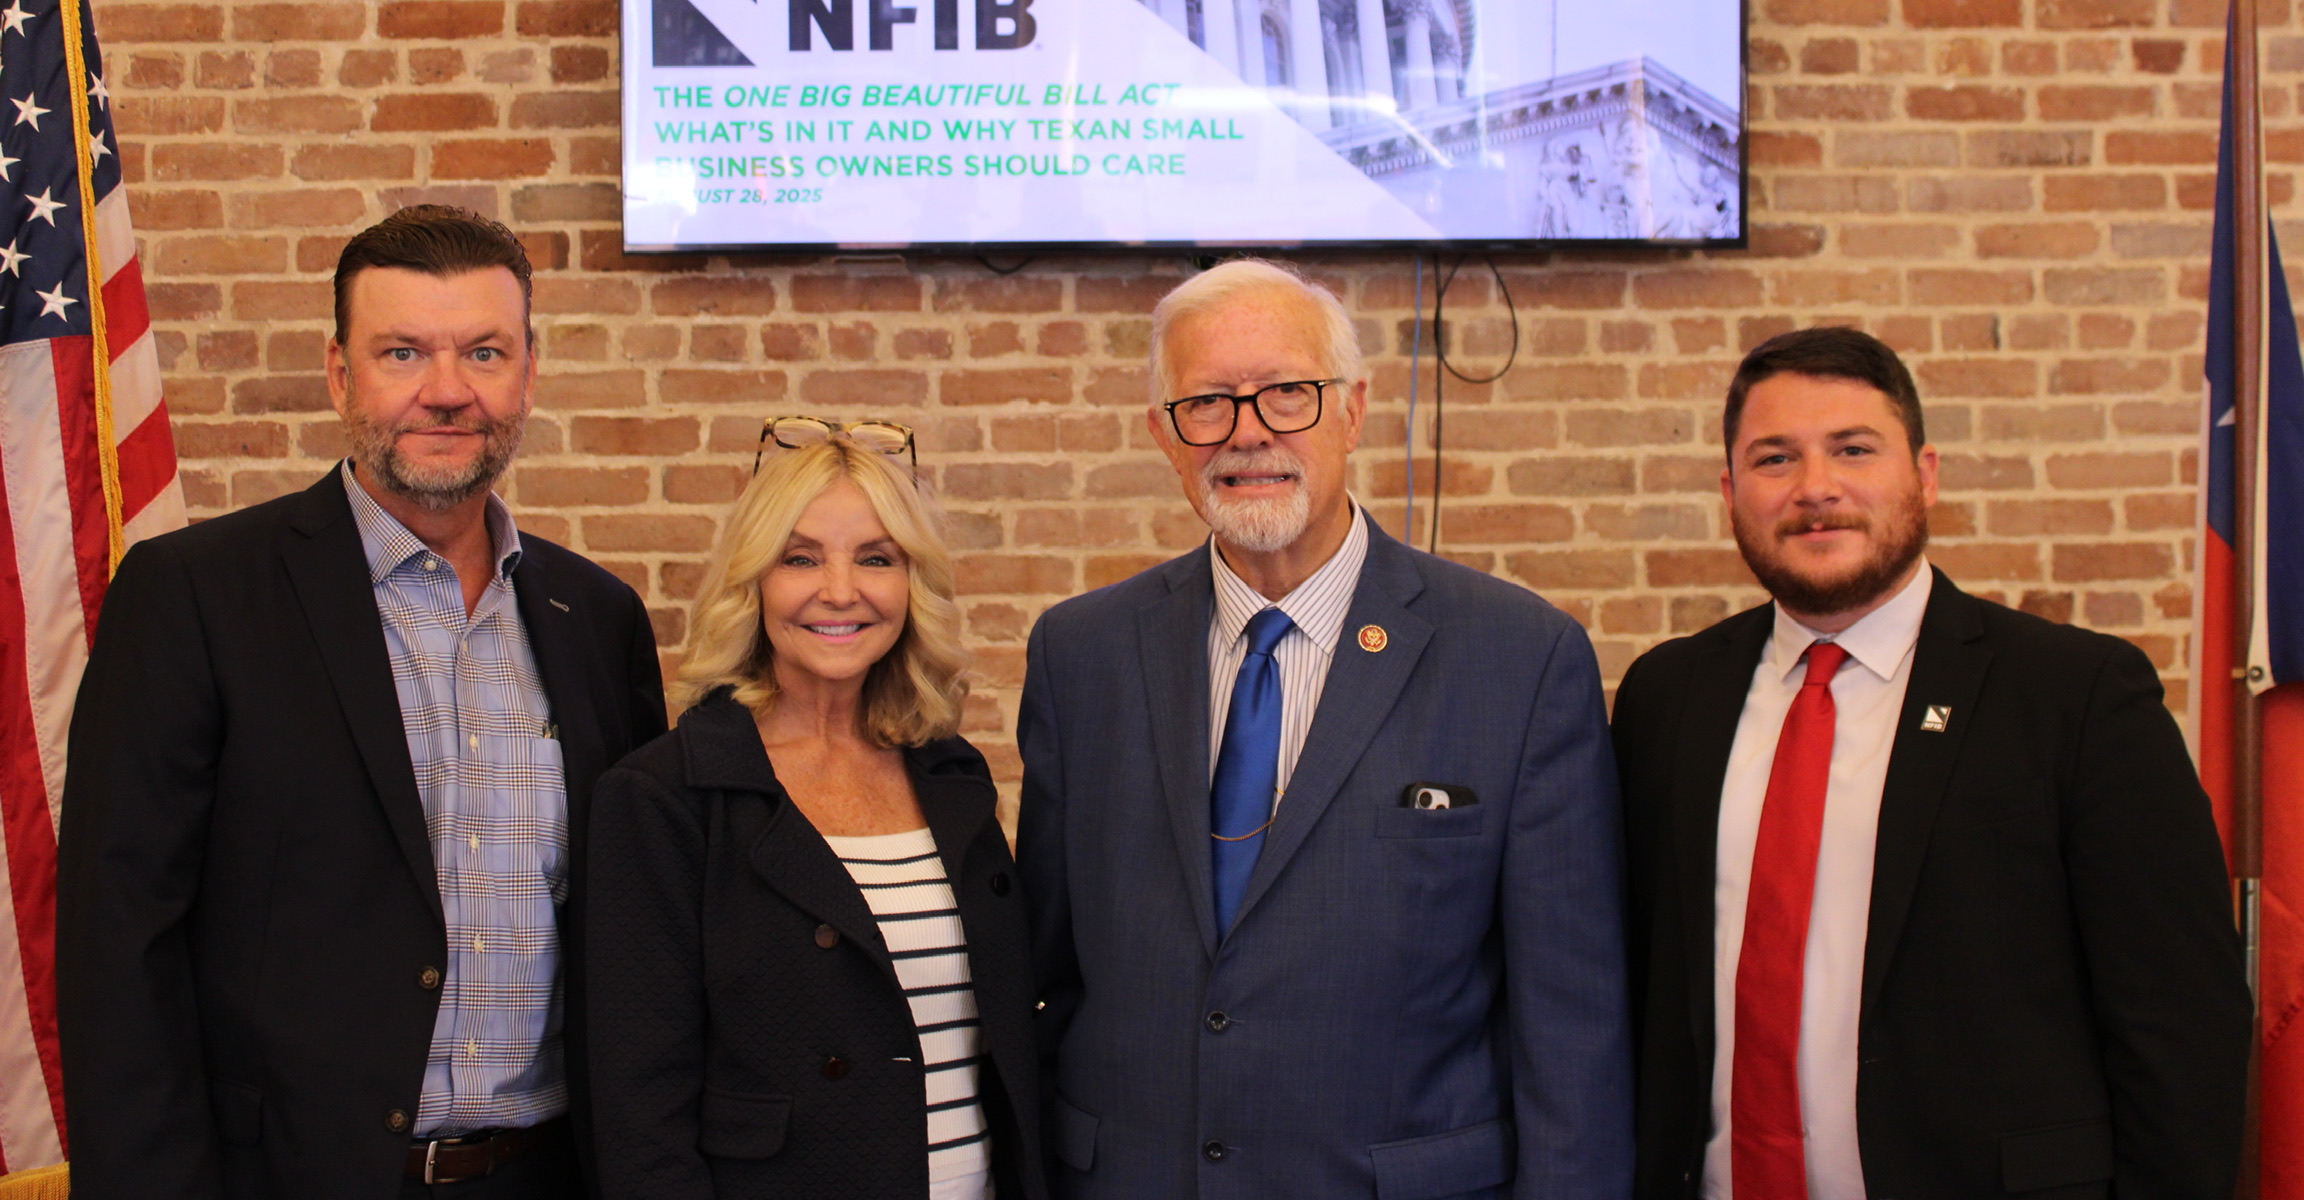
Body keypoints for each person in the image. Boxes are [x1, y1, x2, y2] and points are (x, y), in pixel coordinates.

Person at [57, 205, 667, 1200]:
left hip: (549, 1176)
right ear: (341, 373)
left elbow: (641, 939)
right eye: (401, 352)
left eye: (482, 351)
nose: (445, 391)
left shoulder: (597, 618)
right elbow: (117, 950)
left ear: (528, 372)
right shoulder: (194, 598)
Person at [1017, 257, 1632, 1198]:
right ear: (1163, 434)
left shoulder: (1521, 659)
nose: (1248, 432)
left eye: (1286, 394)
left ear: (1352, 407)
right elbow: (1050, 976)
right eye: (1209, 402)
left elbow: (1572, 1032)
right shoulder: (1081, 656)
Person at [1612, 326, 2250, 1200]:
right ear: (1730, 492)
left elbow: (2182, 1031)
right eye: (1774, 459)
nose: (1816, 488)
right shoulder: (1666, 699)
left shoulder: (2078, 696)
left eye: (1853, 449)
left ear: (1926, 474)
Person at [587, 420, 1045, 1200]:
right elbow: (639, 1115)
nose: (841, 590)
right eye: (800, 558)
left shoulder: (952, 774)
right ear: (754, 580)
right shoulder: (666, 797)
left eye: (876, 558)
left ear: (912, 584)